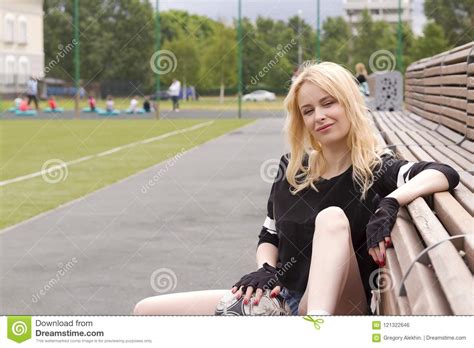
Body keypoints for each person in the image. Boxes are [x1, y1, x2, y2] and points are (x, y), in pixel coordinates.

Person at [133, 61, 459, 316]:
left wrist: (391, 201)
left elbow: (443, 172)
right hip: (283, 302)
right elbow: (269, 236)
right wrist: (266, 268)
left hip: (340, 309)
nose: (319, 116)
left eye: (329, 103)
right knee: (147, 311)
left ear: (348, 103)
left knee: (331, 218)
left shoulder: (373, 166)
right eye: (308, 110)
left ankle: (313, 329)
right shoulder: (292, 167)